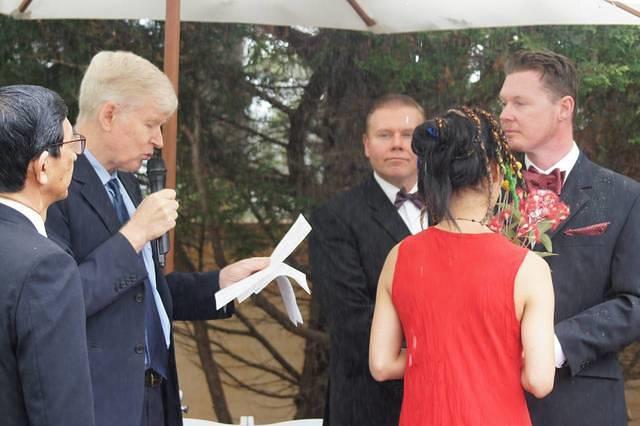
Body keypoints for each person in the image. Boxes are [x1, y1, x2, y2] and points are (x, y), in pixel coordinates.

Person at [45, 51, 268, 426]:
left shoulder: (127, 183)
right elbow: (61, 300)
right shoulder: (57, 188)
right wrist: (134, 234)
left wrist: (221, 283)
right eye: (151, 124)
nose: (159, 140)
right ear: (109, 115)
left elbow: (143, 292)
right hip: (100, 406)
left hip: (156, 397)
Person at [369, 106, 555, 425]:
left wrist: (434, 355)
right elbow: (539, 381)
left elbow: (381, 364)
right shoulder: (528, 268)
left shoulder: (399, 256)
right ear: (494, 173)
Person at [498, 49, 640, 426]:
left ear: (564, 108)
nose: (505, 114)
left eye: (520, 103)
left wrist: (555, 344)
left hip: (583, 404)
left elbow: (635, 301)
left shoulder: (626, 197)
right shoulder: (489, 194)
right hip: (492, 400)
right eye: (503, 103)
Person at [309, 94, 425, 426]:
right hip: (369, 405)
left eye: (408, 135)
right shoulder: (335, 217)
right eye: (385, 135)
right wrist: (441, 348)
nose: (397, 144)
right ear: (366, 145)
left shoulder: (454, 210)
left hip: (444, 401)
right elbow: (350, 321)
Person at [0, 84, 95, 426]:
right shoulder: (46, 267)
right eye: (70, 144)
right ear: (42, 167)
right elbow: (61, 411)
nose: (76, 155)